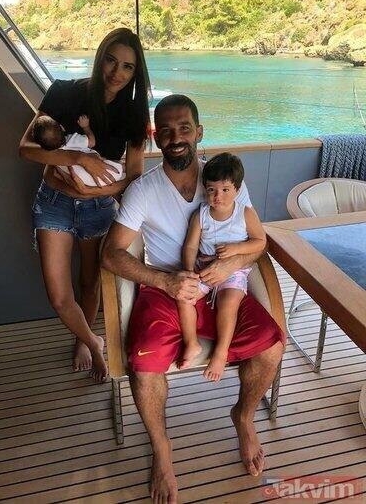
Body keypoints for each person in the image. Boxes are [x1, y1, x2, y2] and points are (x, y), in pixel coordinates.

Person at [101, 94, 285, 503]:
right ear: (156, 138)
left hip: (222, 284)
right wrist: (164, 281)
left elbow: (258, 243)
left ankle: (243, 416)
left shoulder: (223, 178)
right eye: (165, 130)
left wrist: (227, 265)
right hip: (167, 286)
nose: (176, 137)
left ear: (199, 132)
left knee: (272, 345)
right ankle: (161, 450)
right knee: (144, 365)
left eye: (184, 128)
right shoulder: (144, 190)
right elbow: (110, 254)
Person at [19, 27, 151, 382]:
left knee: (90, 283)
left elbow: (134, 178)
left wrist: (94, 193)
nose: (116, 72)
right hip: (53, 203)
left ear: (135, 73)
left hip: (98, 208)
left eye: (127, 67)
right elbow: (26, 148)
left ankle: (83, 341)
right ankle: (94, 341)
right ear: (99, 58)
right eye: (111, 60)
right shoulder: (64, 92)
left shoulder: (134, 115)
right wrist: (79, 159)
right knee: (59, 296)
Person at [177, 152, 267, 380]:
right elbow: (190, 246)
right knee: (184, 296)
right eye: (211, 190)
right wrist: (189, 271)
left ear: (237, 189)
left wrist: (236, 249)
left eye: (225, 189)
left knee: (228, 303)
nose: (218, 196)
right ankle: (191, 342)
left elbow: (260, 241)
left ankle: (220, 352)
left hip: (234, 271)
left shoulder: (244, 213)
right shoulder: (201, 215)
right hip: (204, 269)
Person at [32, 114, 125, 186]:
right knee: (118, 166)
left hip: (85, 182)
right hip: (108, 175)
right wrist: (86, 127)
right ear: (62, 127)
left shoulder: (55, 159)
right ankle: (123, 167)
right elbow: (92, 142)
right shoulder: (73, 140)